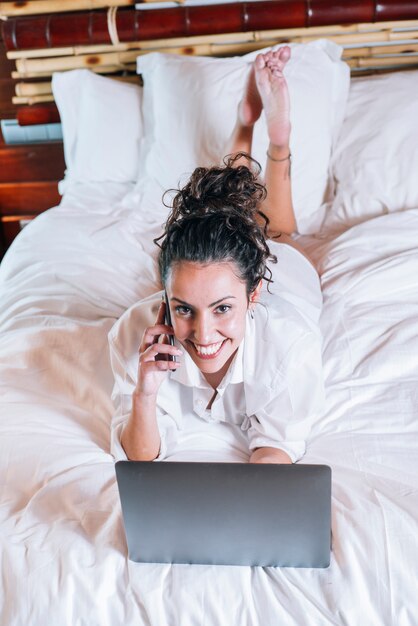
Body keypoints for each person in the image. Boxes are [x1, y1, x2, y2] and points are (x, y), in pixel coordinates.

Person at [109, 47, 325, 465]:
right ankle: (246, 123)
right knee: (227, 210)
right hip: (221, 271)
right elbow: (139, 459)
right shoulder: (132, 333)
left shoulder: (290, 346)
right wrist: (145, 393)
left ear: (254, 294)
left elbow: (276, 448)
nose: (204, 336)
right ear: (165, 296)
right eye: (184, 309)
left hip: (289, 280)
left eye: (223, 308)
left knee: (278, 231)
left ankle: (276, 140)